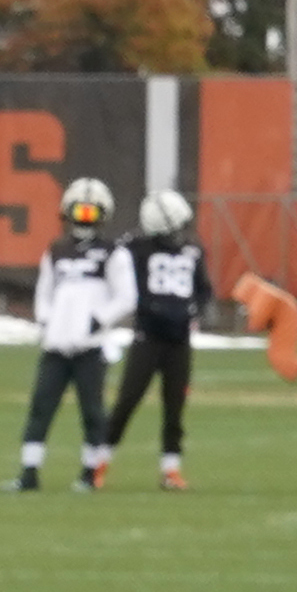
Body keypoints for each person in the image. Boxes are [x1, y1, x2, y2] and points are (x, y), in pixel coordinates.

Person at [7, 177, 132, 493]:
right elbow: (44, 292)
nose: (84, 219)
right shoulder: (57, 250)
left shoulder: (113, 253)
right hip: (57, 346)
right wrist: (47, 322)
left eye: (91, 213)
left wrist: (97, 321)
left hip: (90, 347)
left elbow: (127, 296)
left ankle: (90, 473)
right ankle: (29, 472)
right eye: (79, 212)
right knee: (41, 408)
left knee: (92, 411)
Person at [103, 190, 207, 490]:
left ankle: (171, 469)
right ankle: (99, 461)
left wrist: (194, 311)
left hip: (179, 339)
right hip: (148, 336)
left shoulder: (193, 249)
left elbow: (204, 289)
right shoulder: (136, 248)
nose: (181, 232)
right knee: (127, 400)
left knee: (175, 407)